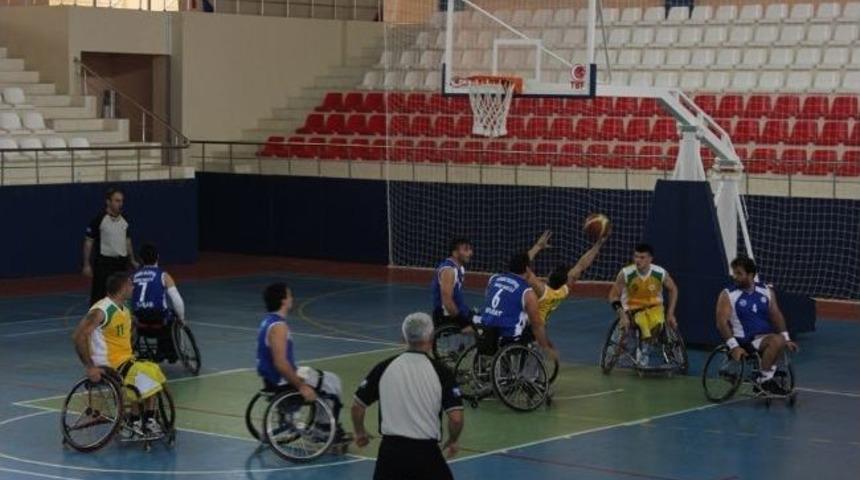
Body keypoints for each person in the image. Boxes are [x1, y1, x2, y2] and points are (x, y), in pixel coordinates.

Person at [352, 313, 464, 480]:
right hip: (426, 453)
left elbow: (357, 406)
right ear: (431, 337)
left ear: (404, 337)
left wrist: (360, 432)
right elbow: (455, 418)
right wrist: (453, 439)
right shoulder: (442, 373)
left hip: (390, 454)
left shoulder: (384, 368)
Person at [71, 272, 167, 435]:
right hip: (109, 363)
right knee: (142, 374)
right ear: (122, 288)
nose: (133, 287)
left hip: (125, 359)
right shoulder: (102, 310)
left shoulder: (124, 309)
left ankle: (148, 418)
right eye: (130, 284)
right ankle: (135, 420)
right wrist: (90, 367)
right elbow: (78, 336)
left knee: (153, 368)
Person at [256, 283, 349, 439]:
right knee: (332, 382)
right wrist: (301, 387)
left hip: (272, 377)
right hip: (282, 381)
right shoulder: (279, 327)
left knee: (319, 376)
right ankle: (324, 428)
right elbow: (280, 363)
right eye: (289, 295)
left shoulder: (268, 321)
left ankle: (321, 424)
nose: (292, 298)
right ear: (283, 300)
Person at [716, 256, 798, 395]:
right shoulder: (728, 294)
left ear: (751, 275)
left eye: (739, 274)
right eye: (734, 273)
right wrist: (734, 347)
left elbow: (776, 315)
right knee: (776, 340)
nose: (735, 277)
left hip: (764, 338)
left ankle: (765, 376)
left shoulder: (766, 291)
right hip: (744, 340)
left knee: (780, 340)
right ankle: (764, 380)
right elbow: (721, 323)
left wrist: (787, 338)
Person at [608, 243, 679, 367]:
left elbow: (673, 289)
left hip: (655, 309)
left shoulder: (659, 273)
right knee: (639, 323)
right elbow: (613, 296)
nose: (638, 260)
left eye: (642, 257)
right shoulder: (626, 274)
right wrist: (622, 315)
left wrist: (671, 313)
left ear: (650, 259)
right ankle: (634, 351)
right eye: (636, 256)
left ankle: (645, 350)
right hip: (633, 310)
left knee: (658, 323)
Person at [477, 252, 557, 360]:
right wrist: (547, 346)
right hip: (507, 339)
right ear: (528, 269)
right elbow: (537, 326)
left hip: (485, 330)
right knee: (536, 330)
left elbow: (488, 297)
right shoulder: (527, 292)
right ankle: (526, 374)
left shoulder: (494, 278)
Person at [525, 229, 609, 327]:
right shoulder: (563, 291)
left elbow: (523, 266)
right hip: (540, 328)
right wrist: (598, 244)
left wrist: (538, 246)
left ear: (549, 276)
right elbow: (581, 265)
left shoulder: (541, 290)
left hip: (525, 327)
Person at [83, 187, 139, 305]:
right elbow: (89, 242)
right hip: (104, 264)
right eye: (117, 200)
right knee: (99, 297)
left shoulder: (125, 219)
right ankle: (97, 321)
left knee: (122, 294)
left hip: (121, 263)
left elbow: (127, 241)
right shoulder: (99, 219)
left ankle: (120, 320)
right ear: (108, 202)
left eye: (121, 201)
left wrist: (132, 259)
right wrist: (86, 264)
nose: (120, 203)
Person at [131, 244, 186, 362]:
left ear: (140, 259)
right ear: (158, 257)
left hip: (140, 321)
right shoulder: (163, 275)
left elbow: (125, 299)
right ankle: (171, 352)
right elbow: (177, 300)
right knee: (173, 316)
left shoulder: (133, 277)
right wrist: (181, 318)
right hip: (160, 321)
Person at [431, 237, 475, 329]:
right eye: (466, 249)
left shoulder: (460, 269)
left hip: (460, 311)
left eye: (470, 250)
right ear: (455, 253)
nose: (470, 253)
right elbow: (447, 302)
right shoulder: (449, 271)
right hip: (446, 316)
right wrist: (463, 323)